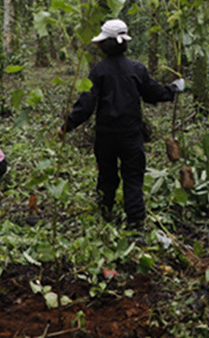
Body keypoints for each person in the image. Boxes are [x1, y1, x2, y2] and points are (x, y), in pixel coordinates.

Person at [59, 19, 183, 230]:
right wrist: (173, 89)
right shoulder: (137, 69)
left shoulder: (99, 71)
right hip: (131, 136)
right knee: (133, 179)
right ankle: (135, 223)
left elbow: (86, 104)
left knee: (106, 176)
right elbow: (154, 93)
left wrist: (67, 125)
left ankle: (105, 215)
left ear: (104, 45)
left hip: (105, 136)